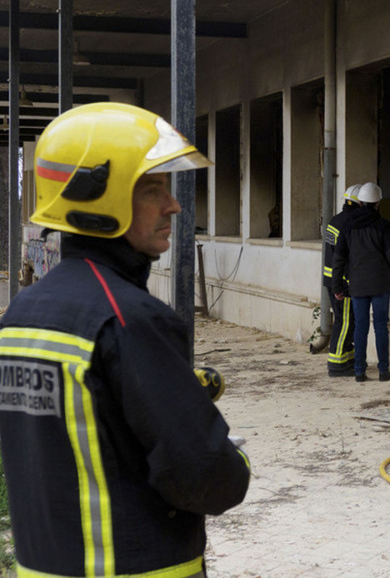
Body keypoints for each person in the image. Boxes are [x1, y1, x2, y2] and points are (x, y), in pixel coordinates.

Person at [0, 103, 251, 577]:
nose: (173, 205)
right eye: (152, 189)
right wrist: (229, 458)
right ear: (100, 196)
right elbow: (205, 475)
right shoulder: (128, 319)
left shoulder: (21, 313)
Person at [331, 181, 390, 382]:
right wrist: (388, 271)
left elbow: (339, 258)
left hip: (358, 285)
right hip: (381, 284)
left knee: (361, 326)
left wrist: (337, 285)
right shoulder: (383, 225)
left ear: (360, 203)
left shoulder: (347, 226)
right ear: (377, 203)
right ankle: (383, 371)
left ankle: (359, 371)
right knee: (380, 326)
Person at [314, 182, 362, 376]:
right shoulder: (350, 223)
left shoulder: (336, 220)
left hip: (331, 280)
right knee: (346, 322)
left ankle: (346, 359)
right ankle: (337, 364)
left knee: (344, 320)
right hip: (342, 282)